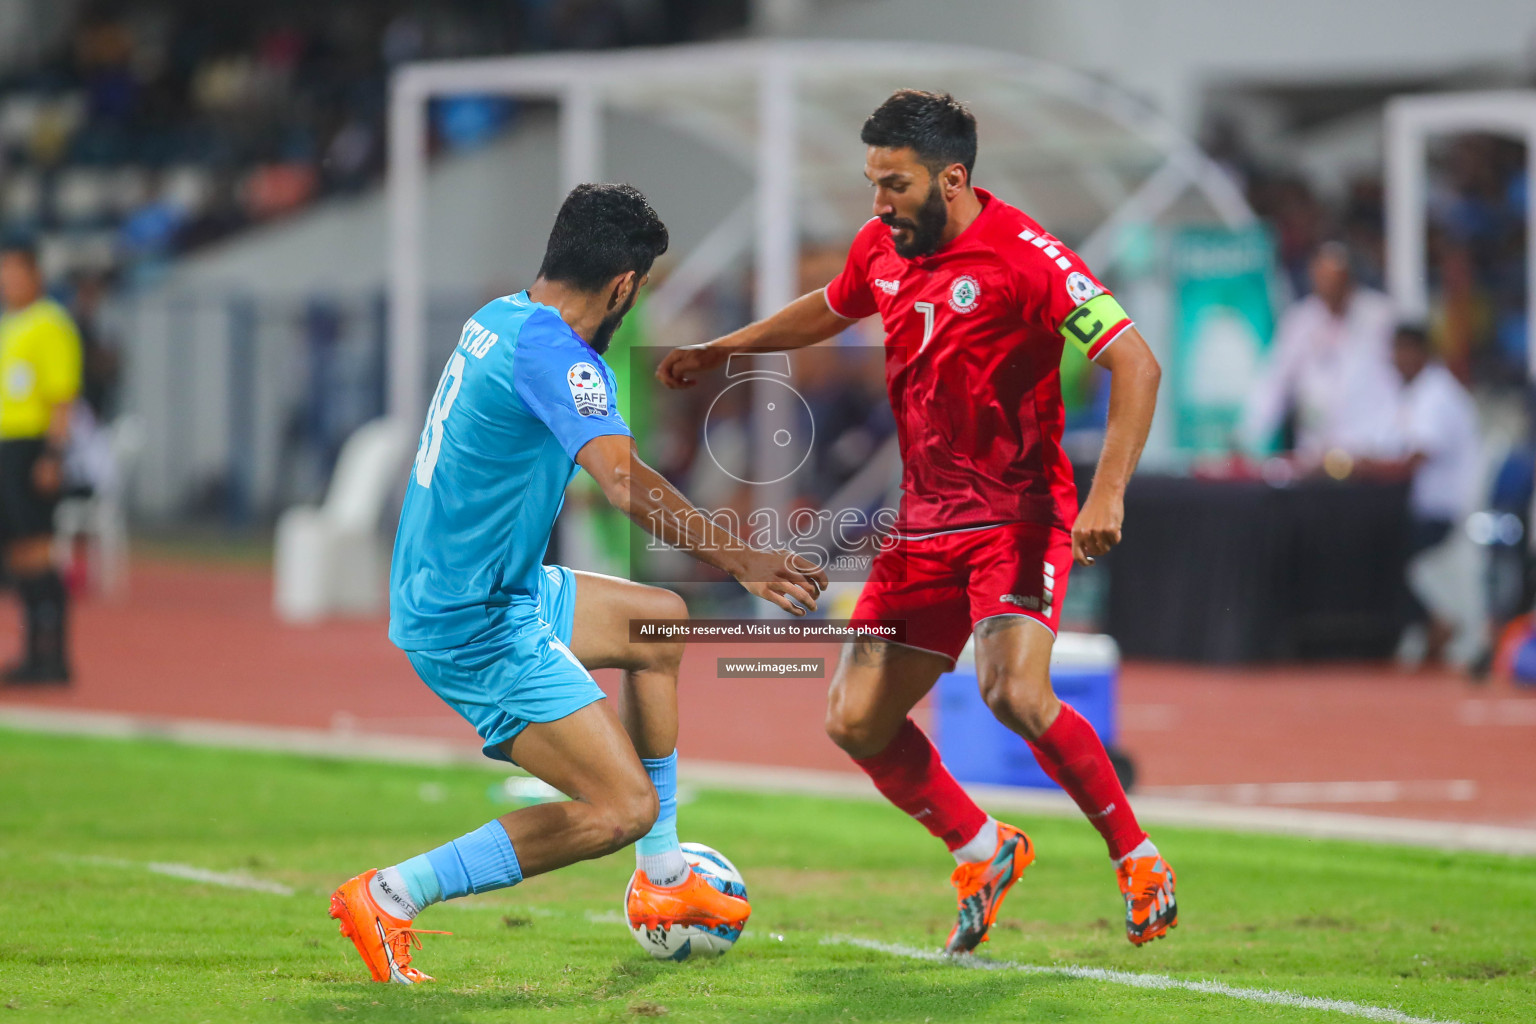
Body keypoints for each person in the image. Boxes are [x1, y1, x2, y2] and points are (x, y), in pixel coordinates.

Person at [658, 91, 1175, 951]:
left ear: (954, 177)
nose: (878, 203)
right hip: (924, 526)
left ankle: (1137, 856)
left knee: (1012, 690)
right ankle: (982, 846)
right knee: (854, 720)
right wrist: (728, 349)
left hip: (1015, 515)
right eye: (873, 183)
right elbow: (832, 304)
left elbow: (1136, 362)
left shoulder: (1028, 258)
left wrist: (1108, 492)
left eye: (893, 184)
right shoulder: (882, 247)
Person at [328, 184, 827, 983]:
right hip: (475, 620)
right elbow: (626, 484)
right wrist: (746, 559)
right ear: (625, 283)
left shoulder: (499, 316)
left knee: (659, 623)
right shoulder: (556, 352)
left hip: (485, 586)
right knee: (618, 808)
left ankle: (663, 879)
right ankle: (391, 894)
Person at [1358, 325, 1482, 663]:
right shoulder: (1407, 394)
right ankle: (1426, 623)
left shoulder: (1438, 393)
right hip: (1416, 508)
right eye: (1396, 352)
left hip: (1442, 510)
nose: (1400, 359)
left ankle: (1433, 622)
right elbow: (1383, 446)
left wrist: (1365, 468)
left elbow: (1415, 459)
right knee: (1370, 544)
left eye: (1407, 351)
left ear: (1424, 352)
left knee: (1380, 553)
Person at [0, 243, 83, 685]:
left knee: (36, 551)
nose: (6, 281)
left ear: (35, 274)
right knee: (17, 554)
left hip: (31, 447)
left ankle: (54, 656)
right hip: (7, 446)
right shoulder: (10, 324)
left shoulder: (50, 323)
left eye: (14, 271)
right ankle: (33, 652)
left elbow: (61, 395)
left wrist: (53, 454)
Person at [1241, 242, 1400, 460]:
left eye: (1335, 282)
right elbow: (1275, 380)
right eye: (1322, 280)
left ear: (1349, 280)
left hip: (1370, 448)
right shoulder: (1301, 320)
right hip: (1317, 450)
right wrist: (1250, 434)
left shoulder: (1380, 316)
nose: (1329, 288)